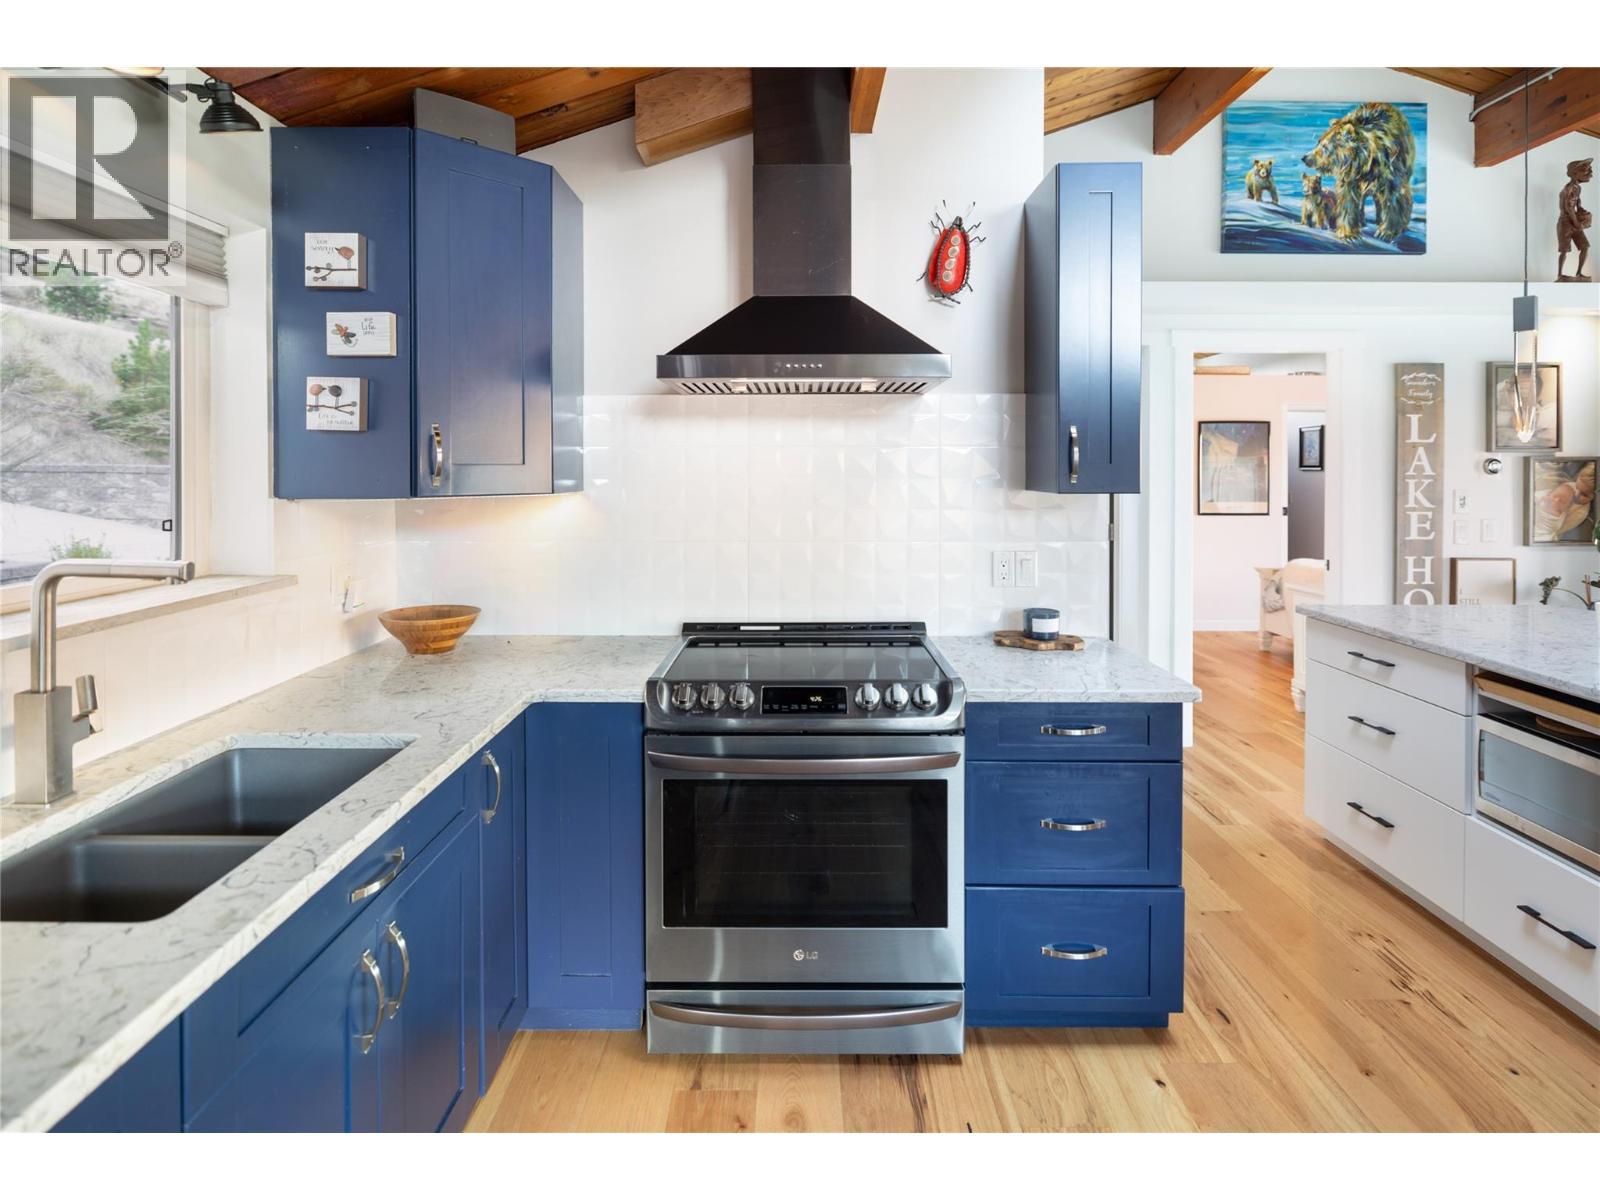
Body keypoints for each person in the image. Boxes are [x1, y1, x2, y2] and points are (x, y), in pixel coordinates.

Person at [1557, 158, 1593, 282]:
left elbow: (1577, 203)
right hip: (1566, 222)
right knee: (1564, 250)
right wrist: (1577, 223)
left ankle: (1579, 273)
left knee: (1585, 246)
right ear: (1575, 173)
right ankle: (1560, 275)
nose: (1590, 174)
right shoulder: (1569, 188)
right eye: (1586, 171)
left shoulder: (1577, 188)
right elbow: (1568, 207)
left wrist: (1582, 210)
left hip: (1573, 221)